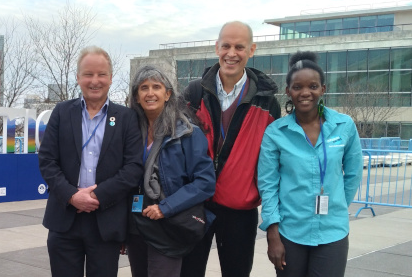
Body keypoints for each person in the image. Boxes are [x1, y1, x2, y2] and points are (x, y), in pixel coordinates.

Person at [181, 21, 281, 277]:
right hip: (196, 205)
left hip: (239, 211)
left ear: (252, 49)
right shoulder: (194, 93)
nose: (231, 53)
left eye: (239, 47)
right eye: (226, 46)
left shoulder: (268, 102)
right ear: (217, 47)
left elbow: (273, 163)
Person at [38, 46, 143, 277]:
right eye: (88, 74)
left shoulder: (126, 118)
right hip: (64, 219)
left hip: (106, 222)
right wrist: (72, 196)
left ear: (111, 78)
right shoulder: (62, 112)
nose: (95, 81)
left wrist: (97, 196)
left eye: (101, 74)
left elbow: (133, 167)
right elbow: (47, 160)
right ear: (78, 78)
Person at [257, 51, 363, 277]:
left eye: (313, 86)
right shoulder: (275, 132)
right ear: (288, 91)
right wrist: (272, 233)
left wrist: (337, 205)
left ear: (323, 89)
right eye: (298, 87)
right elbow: (268, 185)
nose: (305, 93)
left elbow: (353, 174)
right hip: (289, 232)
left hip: (332, 232)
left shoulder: (344, 126)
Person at [126, 65, 216, 277]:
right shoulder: (128, 132)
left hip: (168, 223)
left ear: (167, 94)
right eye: (144, 87)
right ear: (136, 97)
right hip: (136, 226)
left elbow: (205, 182)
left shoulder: (186, 132)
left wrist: (165, 207)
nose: (150, 93)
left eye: (156, 87)